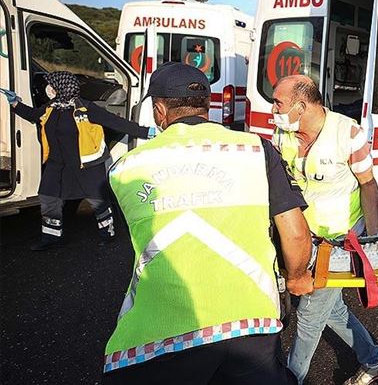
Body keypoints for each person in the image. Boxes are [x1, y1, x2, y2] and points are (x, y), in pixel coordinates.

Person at [102, 63, 314, 384]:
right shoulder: (256, 150)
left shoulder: (125, 168)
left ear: (159, 110)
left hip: (162, 331)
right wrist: (297, 277)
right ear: (208, 104)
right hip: (252, 321)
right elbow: (296, 233)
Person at [271, 75, 378, 385]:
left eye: (278, 103)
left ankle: (292, 378)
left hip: (338, 240)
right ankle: (374, 360)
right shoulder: (282, 134)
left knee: (309, 317)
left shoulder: (348, 133)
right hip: (300, 238)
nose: (273, 109)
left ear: (301, 105)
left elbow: (368, 184)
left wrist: (373, 239)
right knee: (331, 309)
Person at [3, 71, 154, 251]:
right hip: (57, 164)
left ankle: (108, 233)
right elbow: (33, 115)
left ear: (61, 87)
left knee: (98, 202)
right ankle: (51, 236)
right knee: (49, 197)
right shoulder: (50, 107)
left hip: (86, 165)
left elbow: (117, 123)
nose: (48, 89)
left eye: (52, 85)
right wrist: (15, 103)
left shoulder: (86, 108)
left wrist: (147, 132)